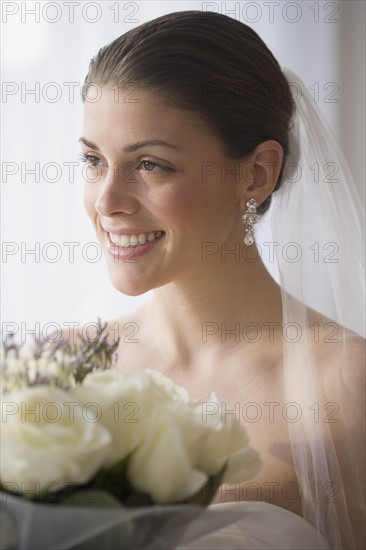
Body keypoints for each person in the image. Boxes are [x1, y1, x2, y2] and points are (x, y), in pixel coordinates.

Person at [79, 11, 365, 549]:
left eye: (152, 165)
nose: (107, 201)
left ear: (257, 173)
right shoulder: (59, 372)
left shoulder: (349, 391)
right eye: (93, 159)